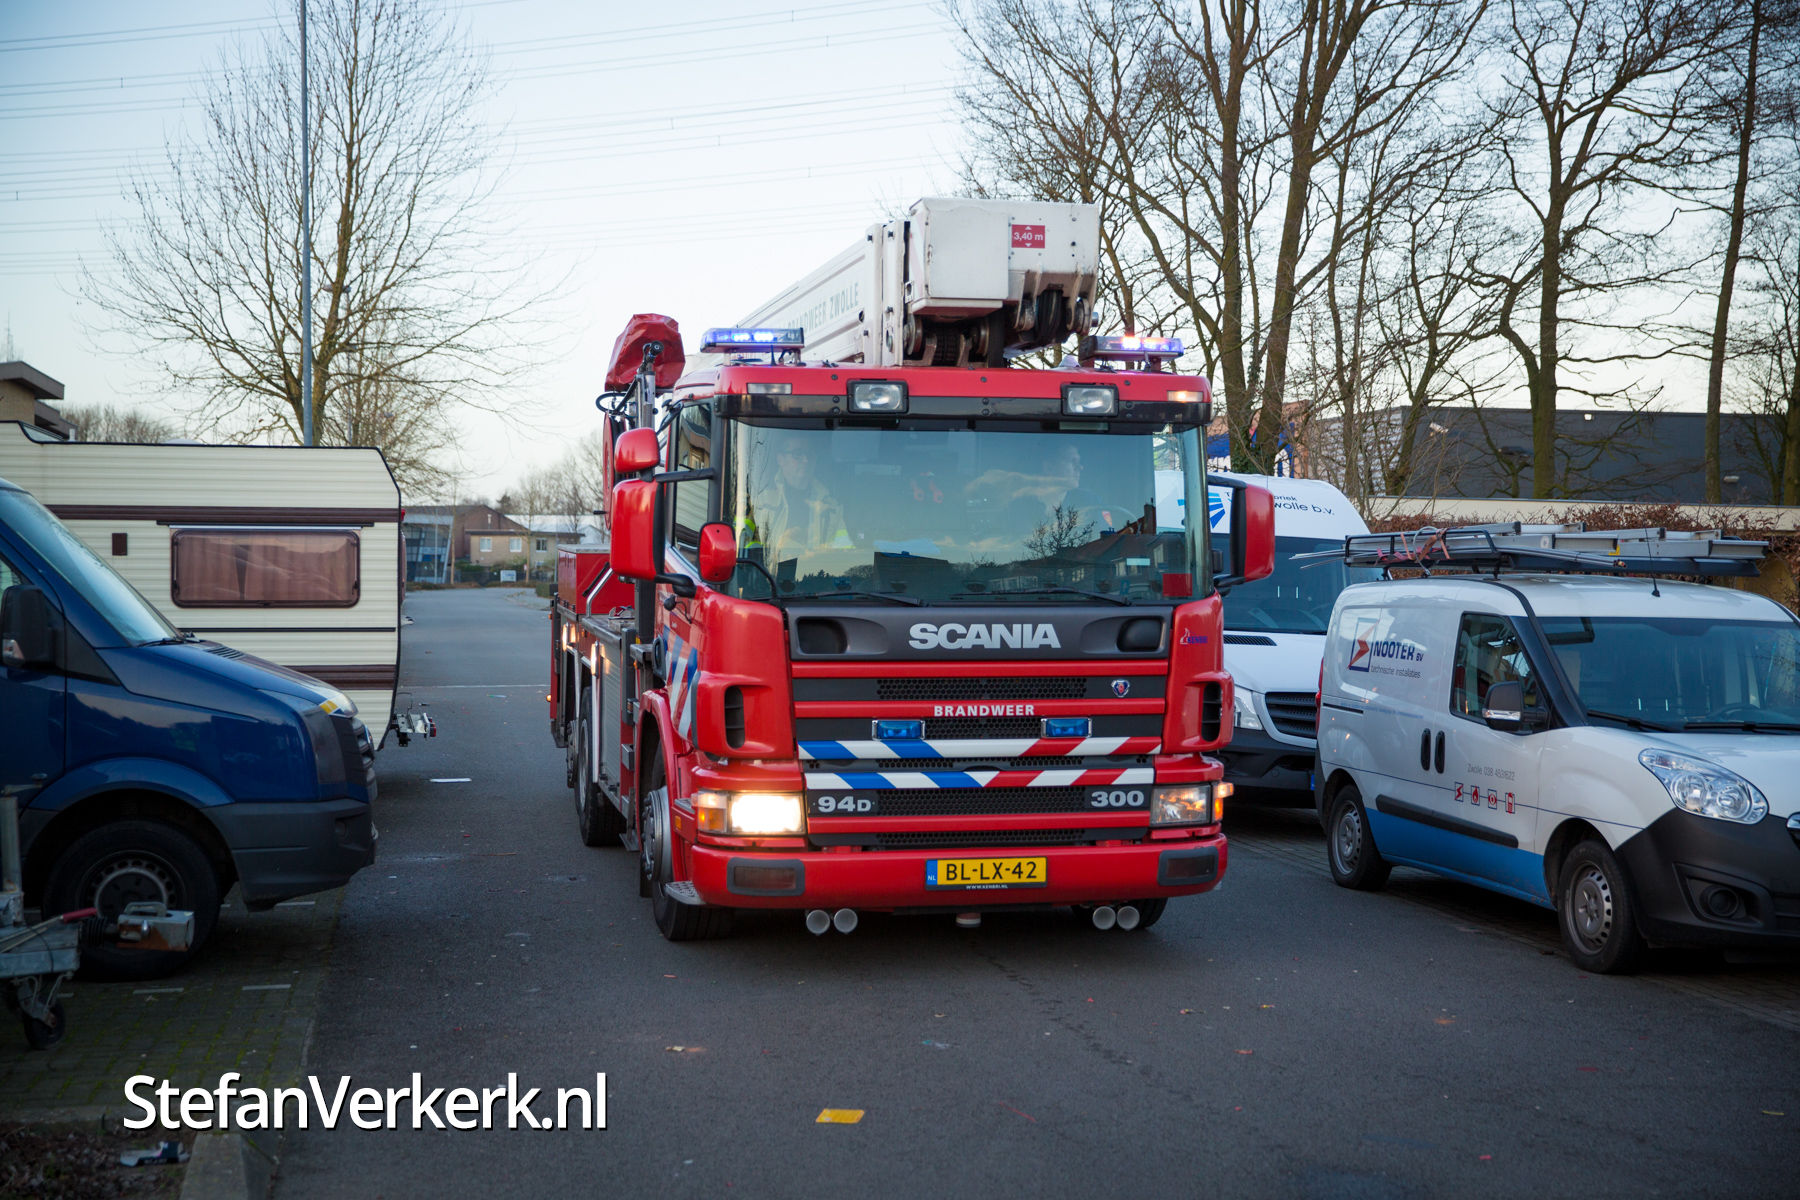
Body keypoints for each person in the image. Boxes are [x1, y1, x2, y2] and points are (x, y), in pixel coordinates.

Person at [738, 440, 852, 575]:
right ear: (780, 459)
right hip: (766, 581)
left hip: (816, 580)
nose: (806, 460)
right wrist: (777, 548)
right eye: (798, 454)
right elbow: (739, 548)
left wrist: (821, 552)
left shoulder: (831, 507)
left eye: (810, 455)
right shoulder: (759, 501)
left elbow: (845, 554)